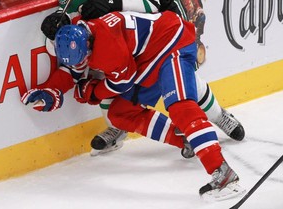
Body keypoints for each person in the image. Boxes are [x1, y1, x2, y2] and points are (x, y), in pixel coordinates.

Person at [40, 0, 245, 156]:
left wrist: (116, 1)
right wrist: (56, 23)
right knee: (107, 78)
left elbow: (151, 4)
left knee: (183, 77)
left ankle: (218, 115)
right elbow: (64, 26)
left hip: (164, 20)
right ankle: (119, 127)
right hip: (130, 40)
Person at [21, 10, 244, 199]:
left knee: (181, 106)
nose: (83, 64)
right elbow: (74, 70)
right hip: (147, 58)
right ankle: (186, 139)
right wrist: (51, 90)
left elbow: (121, 82)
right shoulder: (81, 32)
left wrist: (92, 92)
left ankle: (222, 173)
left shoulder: (105, 48)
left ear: (86, 43)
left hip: (171, 43)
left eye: (84, 58)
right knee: (120, 113)